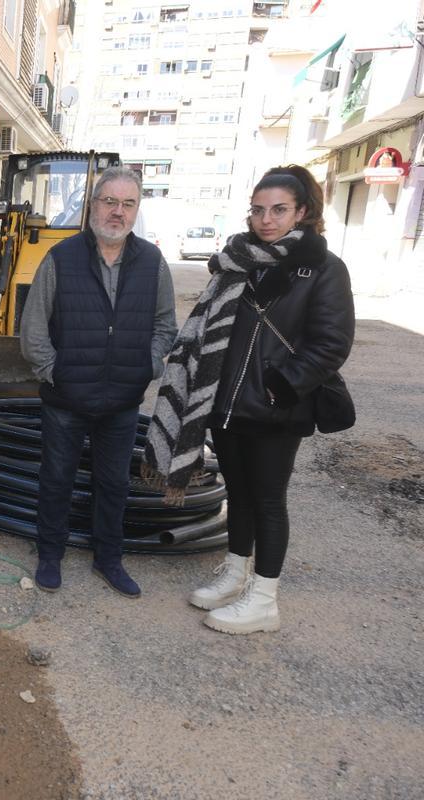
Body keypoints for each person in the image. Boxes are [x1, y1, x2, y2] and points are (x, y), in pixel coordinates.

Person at [143, 165, 354, 634]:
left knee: (268, 500)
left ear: (302, 212)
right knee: (238, 496)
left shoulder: (322, 268)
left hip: (277, 409)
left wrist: (281, 387)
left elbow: (331, 343)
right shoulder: (239, 261)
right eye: (258, 210)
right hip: (225, 403)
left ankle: (263, 598)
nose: (266, 219)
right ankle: (237, 572)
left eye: (279, 209)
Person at [20, 166, 178, 598]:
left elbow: (165, 325)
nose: (118, 212)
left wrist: (146, 367)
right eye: (110, 202)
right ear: (93, 205)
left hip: (122, 402)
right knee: (57, 478)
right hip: (66, 399)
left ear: (136, 211)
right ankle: (49, 554)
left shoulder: (151, 262)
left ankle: (109, 558)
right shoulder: (61, 259)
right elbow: (33, 328)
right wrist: (56, 373)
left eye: (128, 204)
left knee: (114, 483)